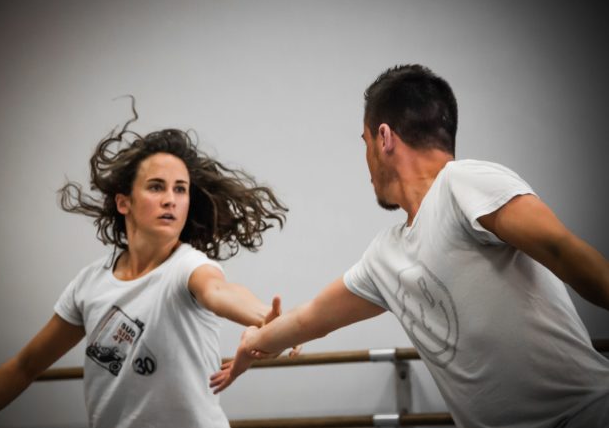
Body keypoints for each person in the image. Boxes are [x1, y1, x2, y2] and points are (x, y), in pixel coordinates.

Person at [211, 65, 609, 427]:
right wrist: (252, 344)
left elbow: (565, 253)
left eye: (365, 141)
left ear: (384, 137)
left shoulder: (463, 184)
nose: (366, 161)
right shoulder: (385, 257)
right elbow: (308, 318)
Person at [0, 103, 295, 428]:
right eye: (156, 187)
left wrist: (265, 318)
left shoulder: (189, 268)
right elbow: (24, 367)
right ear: (124, 202)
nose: (170, 200)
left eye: (180, 190)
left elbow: (219, 291)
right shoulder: (90, 284)